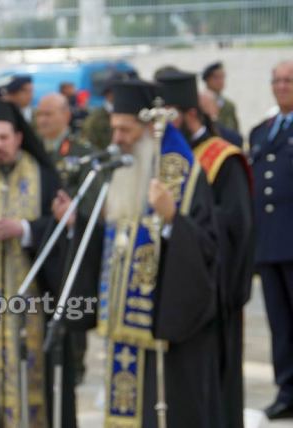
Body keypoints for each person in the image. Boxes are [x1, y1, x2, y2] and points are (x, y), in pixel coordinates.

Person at [85, 80, 221, 427]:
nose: (117, 138)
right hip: (123, 335)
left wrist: (173, 217)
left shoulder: (185, 175)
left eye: (125, 130)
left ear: (149, 130)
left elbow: (210, 250)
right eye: (114, 129)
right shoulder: (120, 170)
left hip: (169, 336)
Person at [0, 100, 78, 427]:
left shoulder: (45, 176)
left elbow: (64, 225)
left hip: (38, 302)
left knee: (41, 383)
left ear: (19, 137)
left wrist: (24, 230)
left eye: (4, 138)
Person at [158, 70, 254, 428]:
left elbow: (237, 230)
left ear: (189, 113)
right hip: (175, 295)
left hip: (215, 294)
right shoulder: (165, 159)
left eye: (167, 116)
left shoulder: (222, 159)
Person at [35, 92, 101, 385]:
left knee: (72, 301)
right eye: (39, 114)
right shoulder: (32, 152)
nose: (42, 120)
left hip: (72, 241)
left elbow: (93, 199)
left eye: (49, 114)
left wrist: (73, 214)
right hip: (41, 240)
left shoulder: (82, 151)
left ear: (66, 115)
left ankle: (75, 365)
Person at [250, 60, 293, 421]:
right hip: (270, 243)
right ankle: (287, 389)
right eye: (277, 80)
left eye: (288, 80)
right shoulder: (261, 132)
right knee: (279, 323)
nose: (282, 86)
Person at [83, 71, 125, 150]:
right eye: (120, 91)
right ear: (108, 94)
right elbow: (90, 148)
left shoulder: (127, 115)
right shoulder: (95, 120)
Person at [202, 62, 240, 132]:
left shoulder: (229, 105)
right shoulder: (201, 102)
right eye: (216, 78)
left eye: (222, 77)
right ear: (207, 80)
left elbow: (235, 129)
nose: (220, 81)